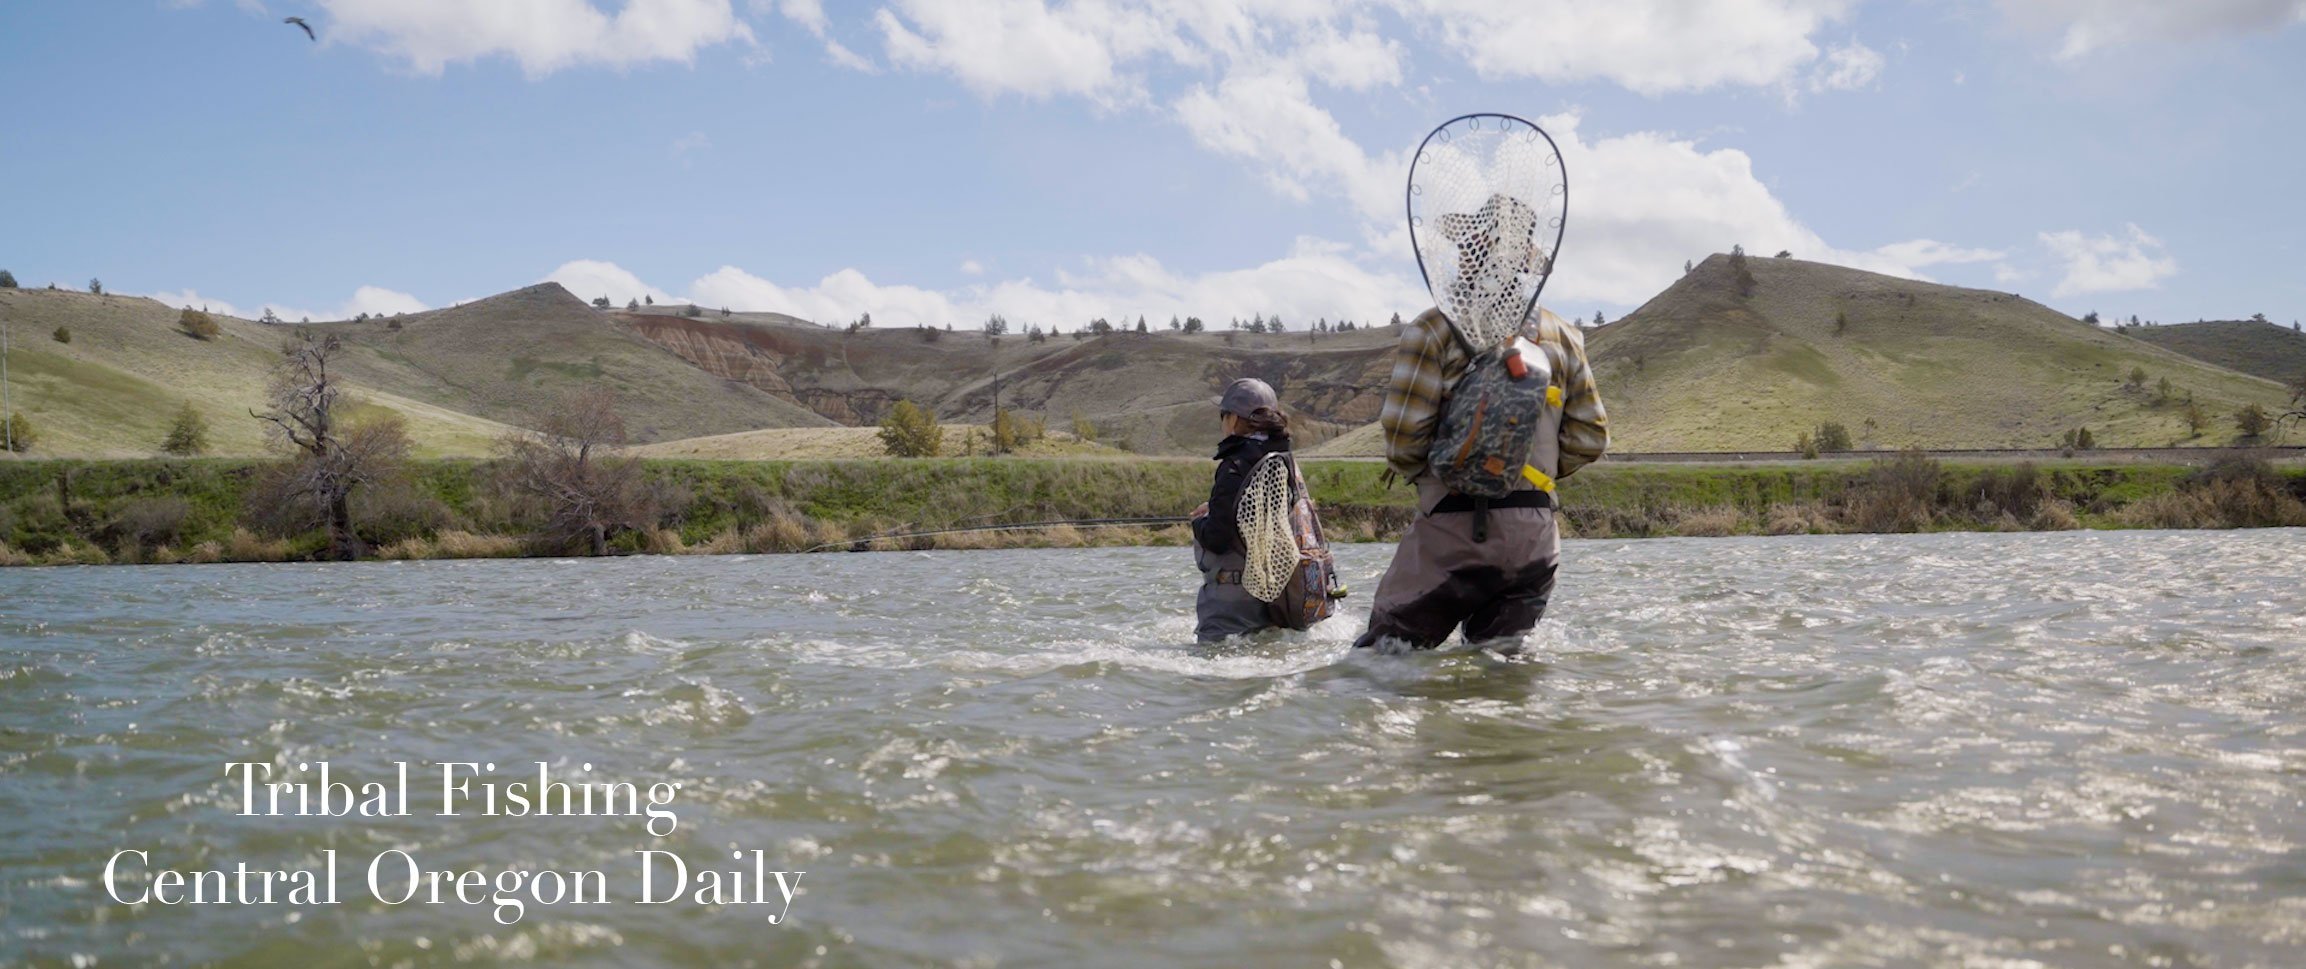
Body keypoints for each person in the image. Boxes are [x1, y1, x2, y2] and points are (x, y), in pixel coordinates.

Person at [1352, 300, 1608, 652]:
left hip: (1451, 529)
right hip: (1535, 542)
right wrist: (1523, 477)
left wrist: (1448, 477)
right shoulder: (1564, 335)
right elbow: (1591, 437)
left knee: (1381, 663)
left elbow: (1403, 439)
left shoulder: (1433, 328)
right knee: (1501, 673)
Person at [1189, 378, 1295, 642]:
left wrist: (1200, 521)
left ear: (1234, 419)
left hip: (1233, 602)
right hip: (1278, 595)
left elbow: (1217, 537)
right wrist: (1215, 507)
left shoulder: (1234, 464)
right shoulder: (1283, 459)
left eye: (1223, 416)